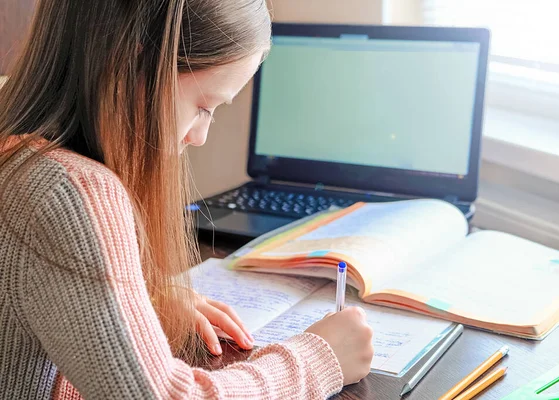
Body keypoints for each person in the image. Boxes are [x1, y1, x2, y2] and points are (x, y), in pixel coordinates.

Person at [0, 0, 375, 399]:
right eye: (203, 107)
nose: (200, 136)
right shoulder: (70, 191)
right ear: (134, 66)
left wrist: (138, 305)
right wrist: (319, 360)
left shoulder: (18, 159)